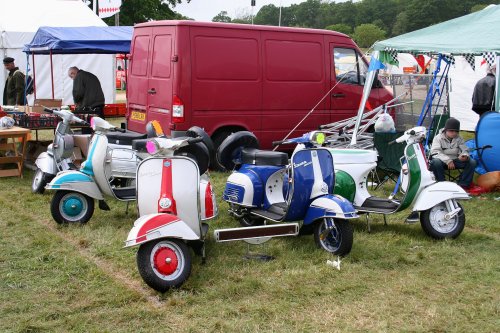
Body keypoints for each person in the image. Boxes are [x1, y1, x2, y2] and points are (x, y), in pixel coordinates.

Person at [429, 117, 477, 192]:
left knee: (472, 162)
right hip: (442, 161)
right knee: (436, 162)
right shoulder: (438, 138)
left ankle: (463, 186)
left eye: (456, 131)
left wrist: (465, 156)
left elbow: (465, 150)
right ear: (446, 130)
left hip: (455, 160)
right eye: (451, 131)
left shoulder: (459, 138)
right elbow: (435, 152)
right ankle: (442, 185)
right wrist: (448, 160)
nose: (454, 133)